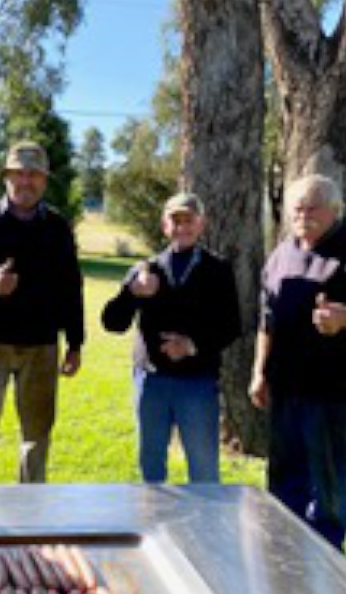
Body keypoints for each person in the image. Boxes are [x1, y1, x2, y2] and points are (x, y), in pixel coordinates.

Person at [249, 174, 346, 551]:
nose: (303, 214)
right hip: (284, 389)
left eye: (313, 206)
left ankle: (327, 567)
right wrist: (259, 373)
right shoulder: (281, 255)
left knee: (328, 489)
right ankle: (283, 559)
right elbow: (267, 322)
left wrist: (345, 317)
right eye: (297, 207)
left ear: (336, 209)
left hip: (333, 395)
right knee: (284, 481)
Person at [0, 141, 85, 484]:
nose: (26, 181)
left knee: (37, 433)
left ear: (44, 181)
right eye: (19, 173)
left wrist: (75, 343)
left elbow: (70, 288)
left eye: (34, 174)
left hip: (41, 345)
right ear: (6, 177)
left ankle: (31, 504)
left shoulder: (57, 228)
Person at [102, 193, 241, 484]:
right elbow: (112, 322)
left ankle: (205, 528)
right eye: (175, 221)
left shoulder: (217, 269)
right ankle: (154, 528)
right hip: (151, 383)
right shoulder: (146, 270)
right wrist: (133, 293)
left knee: (204, 473)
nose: (182, 228)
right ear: (165, 226)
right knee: (151, 471)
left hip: (197, 384)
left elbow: (231, 326)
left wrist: (192, 345)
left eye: (189, 221)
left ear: (201, 224)